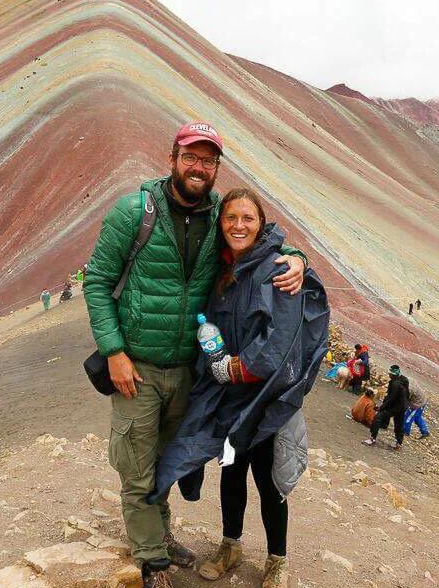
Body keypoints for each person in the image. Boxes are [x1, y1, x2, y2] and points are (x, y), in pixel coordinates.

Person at [83, 122, 307, 588]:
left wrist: (296, 257)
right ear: (172, 159)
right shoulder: (134, 212)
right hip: (136, 368)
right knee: (137, 466)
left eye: (208, 160)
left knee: (166, 460)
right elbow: (98, 283)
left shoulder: (218, 219)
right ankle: (151, 561)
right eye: (191, 157)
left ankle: (160, 536)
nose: (198, 167)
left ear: (216, 168)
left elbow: (259, 241)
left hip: (188, 371)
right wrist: (114, 352)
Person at [149, 188, 329, 588]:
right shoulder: (223, 271)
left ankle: (277, 560)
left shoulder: (278, 269)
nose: (239, 226)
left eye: (248, 218)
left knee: (269, 482)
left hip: (266, 402)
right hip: (231, 402)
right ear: (221, 223)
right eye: (230, 218)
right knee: (232, 472)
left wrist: (235, 368)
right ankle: (231, 545)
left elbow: (279, 343)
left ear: (261, 223)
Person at [363, 365, 409, 450]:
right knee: (399, 425)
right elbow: (406, 395)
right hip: (402, 407)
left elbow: (391, 398)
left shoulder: (395, 384)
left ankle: (372, 439)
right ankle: (399, 444)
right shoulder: (404, 380)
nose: (389, 375)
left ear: (393, 375)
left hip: (394, 407)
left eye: (390, 374)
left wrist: (381, 408)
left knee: (377, 418)